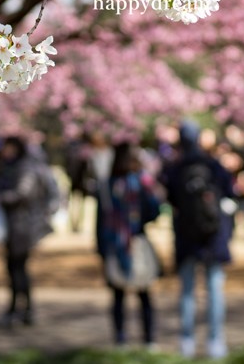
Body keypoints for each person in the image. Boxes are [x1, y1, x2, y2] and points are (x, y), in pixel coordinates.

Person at [161, 121, 235, 360]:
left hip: (186, 235)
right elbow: (229, 191)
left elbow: (170, 198)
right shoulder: (212, 164)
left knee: (187, 290)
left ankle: (187, 340)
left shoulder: (174, 167)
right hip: (214, 235)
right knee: (214, 287)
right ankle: (215, 340)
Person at [96, 141, 162, 348]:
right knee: (142, 293)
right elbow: (154, 210)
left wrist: (102, 248)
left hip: (116, 243)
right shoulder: (140, 183)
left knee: (119, 294)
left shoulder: (109, 185)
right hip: (135, 240)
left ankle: (121, 338)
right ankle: (148, 340)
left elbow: (101, 219)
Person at [0, 136, 54, 327]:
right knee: (13, 268)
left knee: (18, 268)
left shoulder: (25, 168)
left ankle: (23, 309)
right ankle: (19, 309)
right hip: (13, 226)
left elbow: (23, 193)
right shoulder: (6, 166)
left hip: (22, 226)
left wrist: (0, 198)